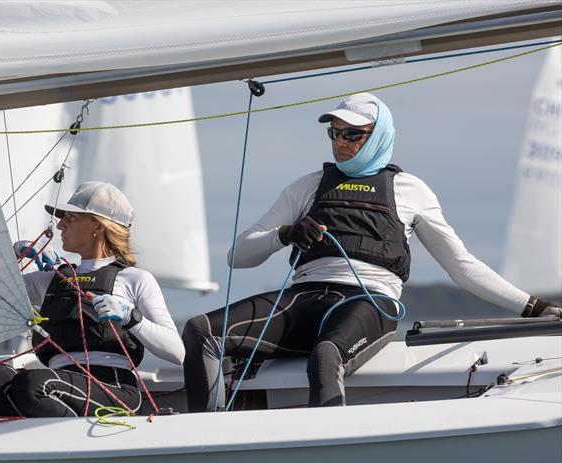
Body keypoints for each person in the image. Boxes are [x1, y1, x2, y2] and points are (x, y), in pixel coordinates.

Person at [182, 92, 561, 412]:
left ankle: (325, 456)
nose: (340, 142)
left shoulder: (411, 191)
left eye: (352, 134)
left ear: (378, 135)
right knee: (200, 330)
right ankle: (204, 441)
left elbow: (462, 268)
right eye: (334, 133)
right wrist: (284, 234)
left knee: (326, 355)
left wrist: (535, 309)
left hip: (368, 303)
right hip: (302, 299)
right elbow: (239, 256)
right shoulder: (307, 187)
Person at [0, 181, 184, 418]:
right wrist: (13, 255)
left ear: (97, 226)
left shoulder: (135, 279)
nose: (60, 224)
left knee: (34, 385)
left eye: (71, 217)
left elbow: (177, 353)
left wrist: (131, 317)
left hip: (113, 388)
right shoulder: (50, 279)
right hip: (55, 383)